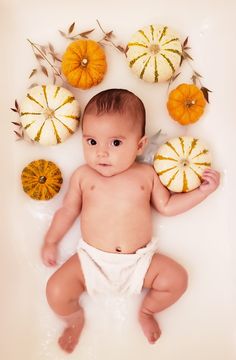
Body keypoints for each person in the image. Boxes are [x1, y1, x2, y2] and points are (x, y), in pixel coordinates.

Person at [41, 89, 220, 353]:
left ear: (139, 145)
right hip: (90, 261)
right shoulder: (83, 177)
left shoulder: (146, 175)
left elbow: (168, 206)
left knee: (178, 280)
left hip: (139, 263)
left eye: (115, 143)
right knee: (55, 292)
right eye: (91, 142)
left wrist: (201, 192)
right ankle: (74, 319)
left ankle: (147, 310)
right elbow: (67, 211)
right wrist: (51, 240)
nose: (101, 153)